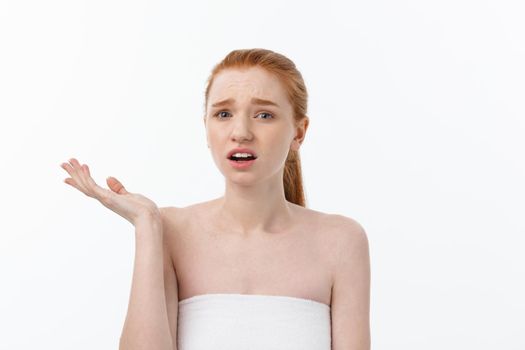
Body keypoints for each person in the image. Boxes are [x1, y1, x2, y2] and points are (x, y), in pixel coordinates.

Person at [60, 48, 371, 350]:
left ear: (298, 133)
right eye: (223, 114)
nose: (241, 132)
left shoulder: (341, 241)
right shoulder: (169, 230)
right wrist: (147, 225)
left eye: (264, 114)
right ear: (206, 128)